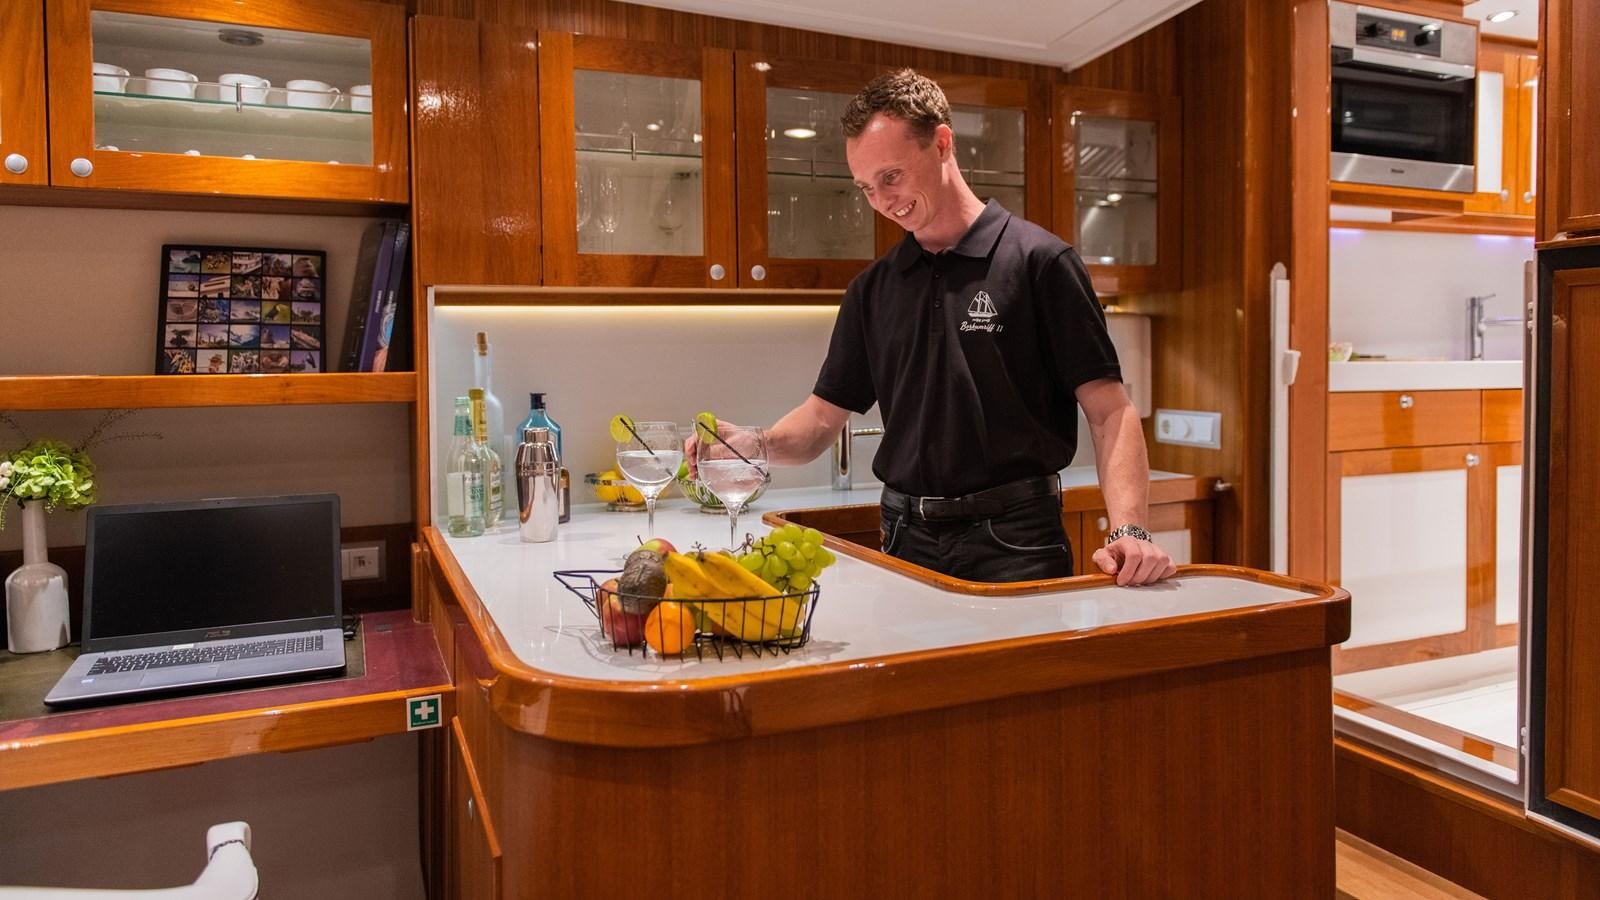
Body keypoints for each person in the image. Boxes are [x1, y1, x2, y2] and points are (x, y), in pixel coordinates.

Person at [696, 69, 1175, 586]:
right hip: (903, 537)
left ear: (942, 142)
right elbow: (819, 422)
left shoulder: (1041, 262)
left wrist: (1132, 530)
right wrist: (751, 443)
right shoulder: (872, 290)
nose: (881, 201)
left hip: (1015, 538)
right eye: (866, 187)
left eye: (891, 176)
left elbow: (1110, 413)